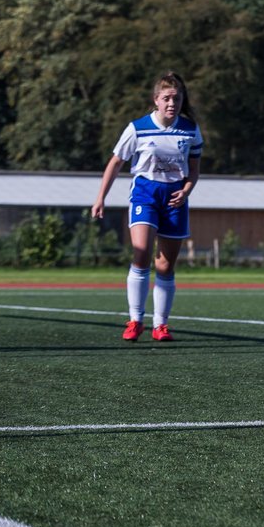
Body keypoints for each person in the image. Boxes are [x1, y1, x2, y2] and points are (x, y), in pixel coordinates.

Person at [91, 71, 203, 342]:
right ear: (156, 100)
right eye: (166, 98)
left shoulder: (190, 130)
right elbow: (116, 162)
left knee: (165, 266)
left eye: (176, 98)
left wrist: (186, 190)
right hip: (145, 194)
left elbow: (195, 169)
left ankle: (160, 325)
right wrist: (100, 197)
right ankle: (135, 320)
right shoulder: (138, 128)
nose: (171, 103)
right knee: (141, 254)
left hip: (175, 197)